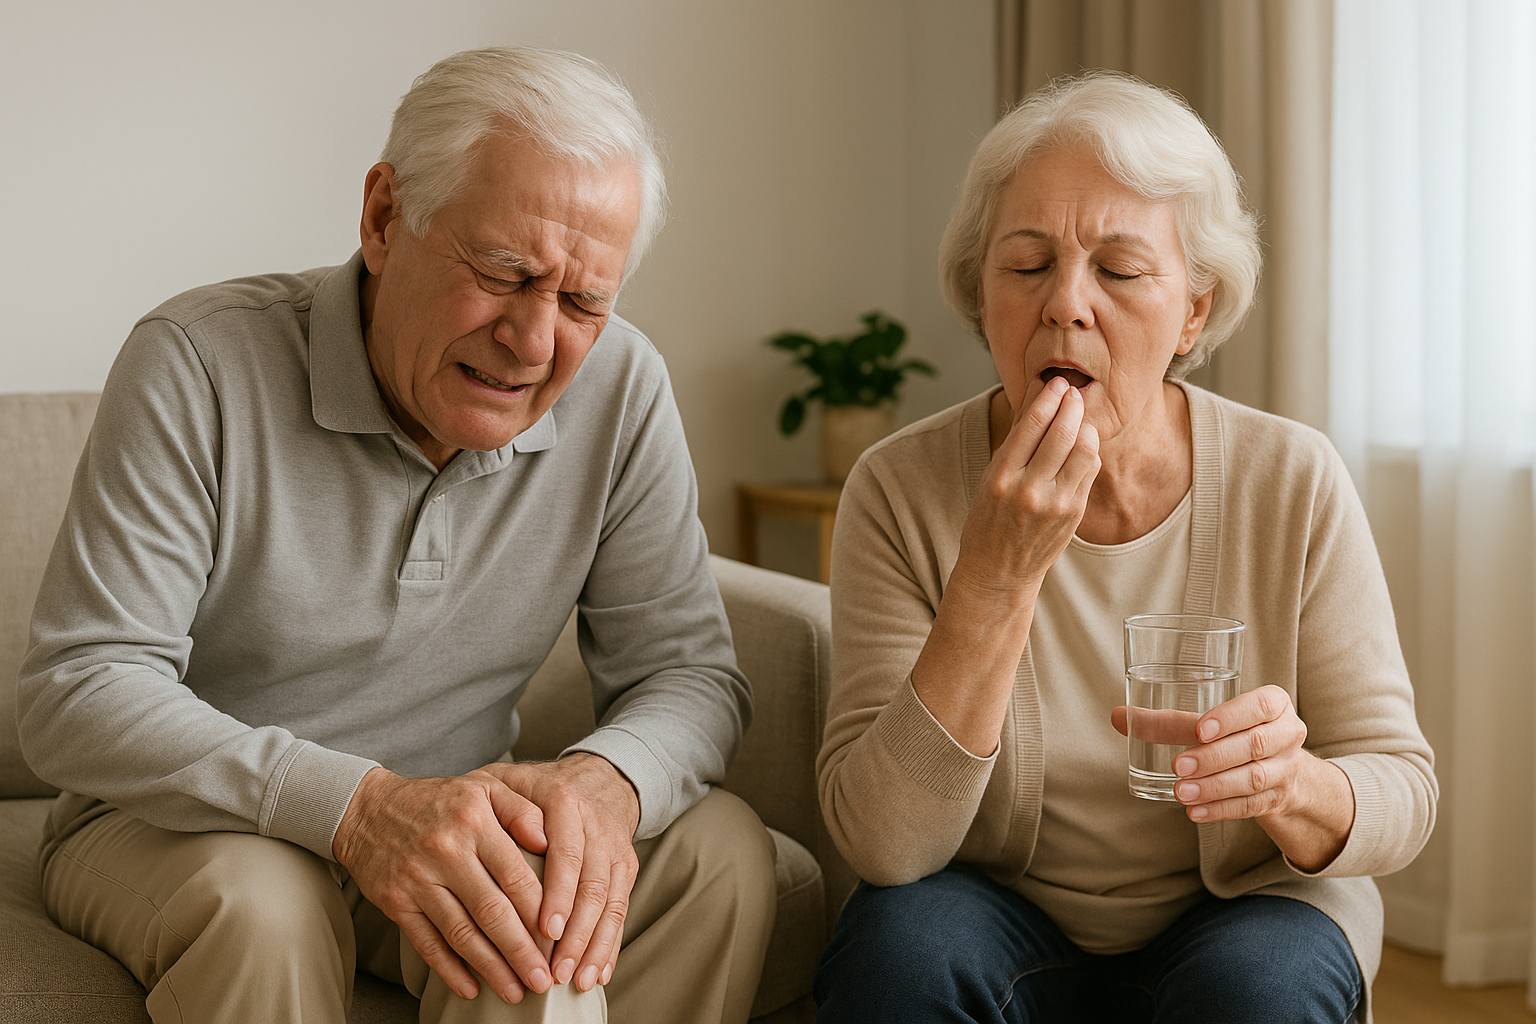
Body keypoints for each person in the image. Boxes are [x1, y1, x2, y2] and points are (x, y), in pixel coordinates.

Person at [16, 45, 776, 1024]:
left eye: (584, 300)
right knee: (269, 905)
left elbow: (692, 675)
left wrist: (604, 785)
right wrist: (363, 809)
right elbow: (82, 690)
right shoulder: (197, 361)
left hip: (449, 822)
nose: (537, 342)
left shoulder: (623, 390)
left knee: (705, 853)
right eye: (504, 273)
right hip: (179, 825)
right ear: (384, 217)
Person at [812, 72, 1436, 1024]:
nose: (1066, 305)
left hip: (1244, 913)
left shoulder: (1292, 477)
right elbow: (883, 846)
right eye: (1026, 267)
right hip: (994, 910)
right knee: (895, 955)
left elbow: (1403, 788)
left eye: (1119, 269)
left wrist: (1294, 785)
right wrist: (995, 572)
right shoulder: (899, 487)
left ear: (1193, 308)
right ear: (982, 296)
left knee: (1261, 993)